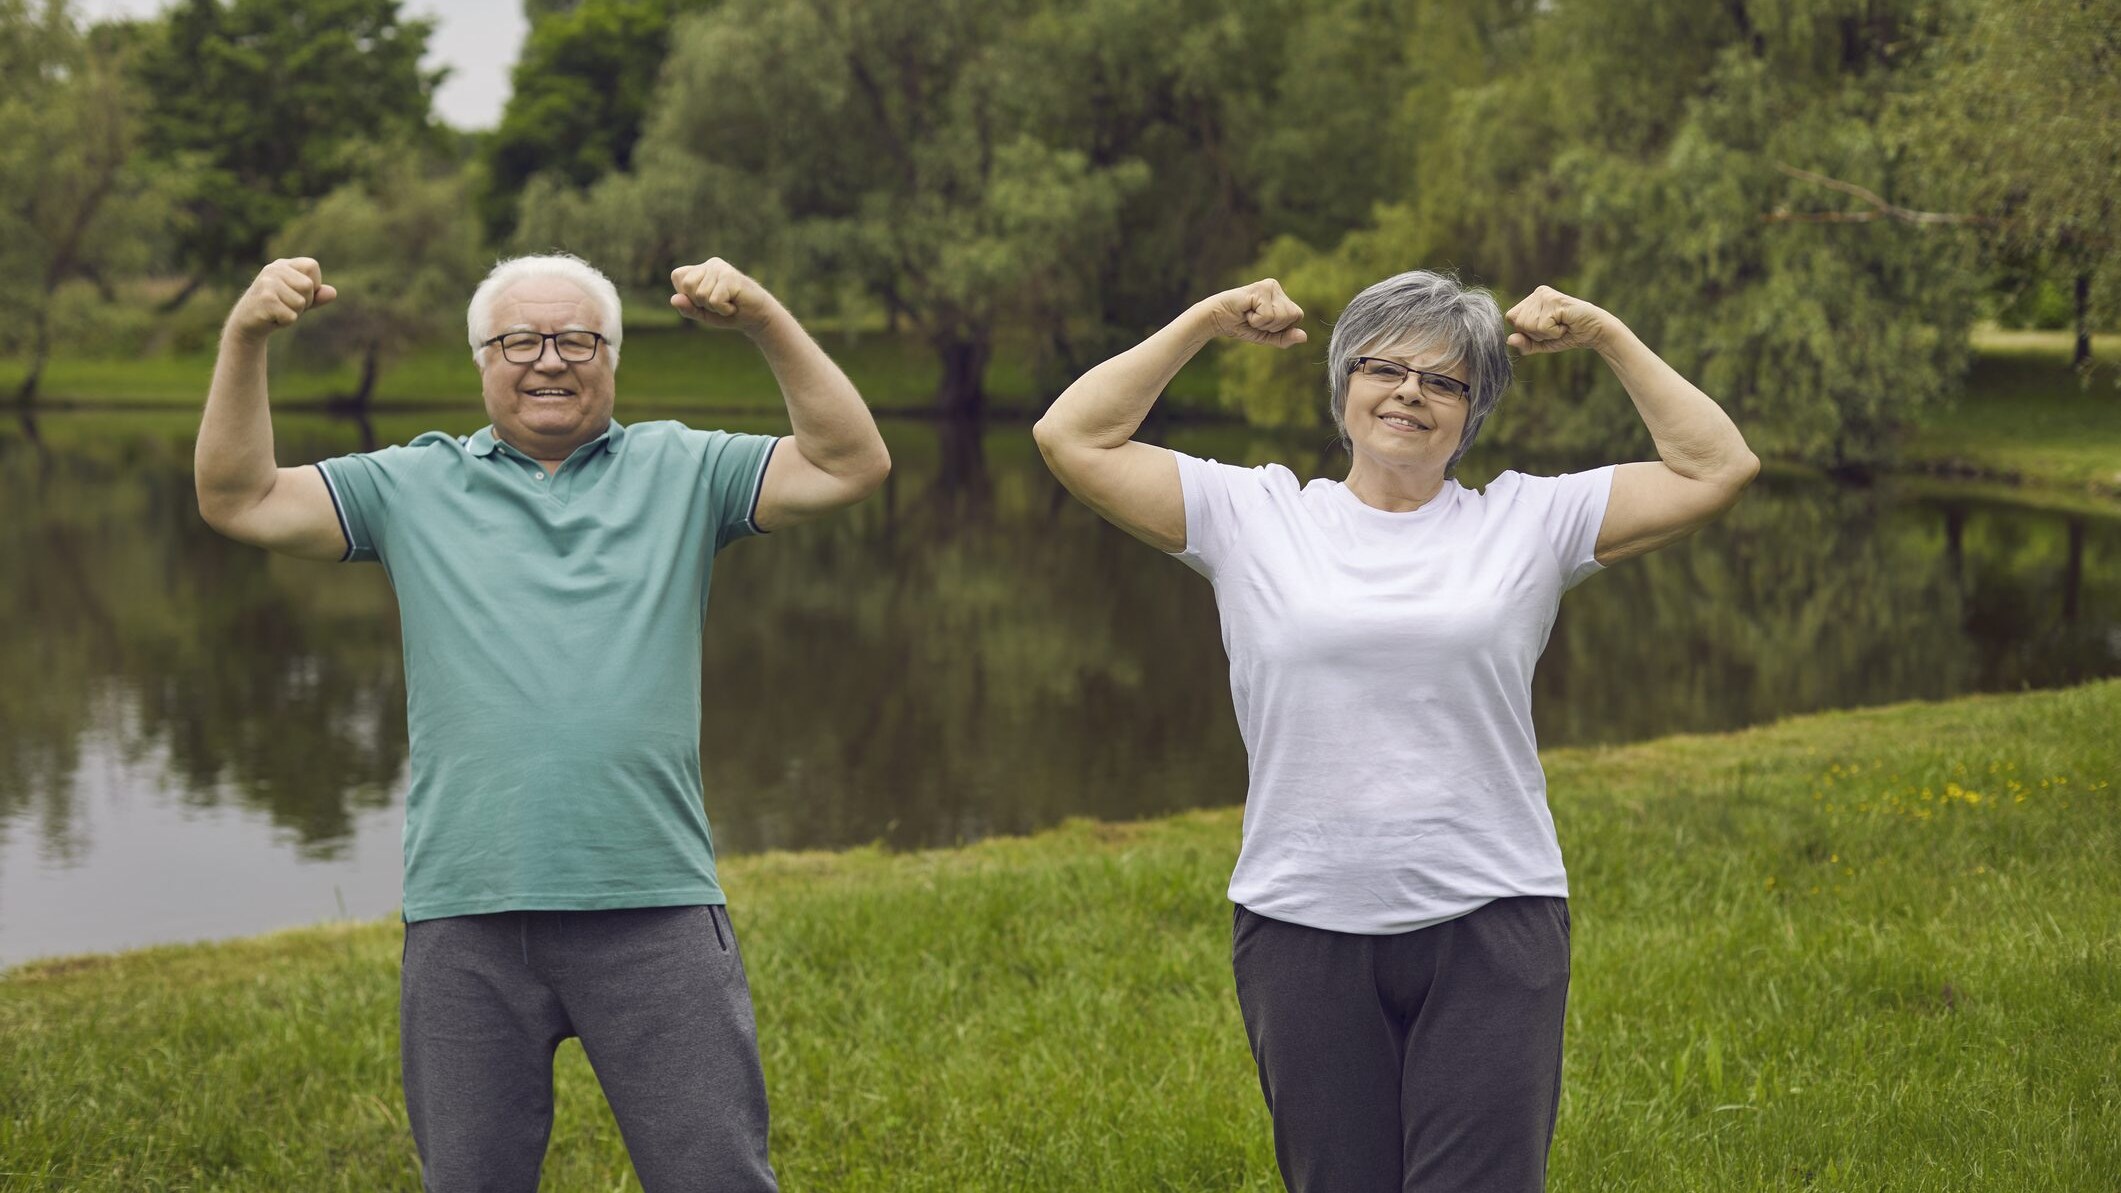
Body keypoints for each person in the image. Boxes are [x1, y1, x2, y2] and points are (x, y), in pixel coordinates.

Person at [1032, 270, 1758, 1192]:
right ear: (1344, 386)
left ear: (1471, 413)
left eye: (1445, 381)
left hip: (1492, 919)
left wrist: (1606, 333)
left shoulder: (1530, 520)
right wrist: (1206, 321)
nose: (1410, 392)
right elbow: (1071, 434)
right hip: (1301, 920)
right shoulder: (1251, 515)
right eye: (1383, 368)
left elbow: (1717, 467)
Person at [194, 252, 891, 1192]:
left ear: (612, 356)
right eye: (519, 340)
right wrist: (246, 335)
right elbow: (236, 497)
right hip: (467, 909)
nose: (550, 359)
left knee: (714, 1176)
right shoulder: (409, 484)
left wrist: (763, 316)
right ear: (483, 359)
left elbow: (851, 463)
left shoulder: (685, 469)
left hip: (653, 901)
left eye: (577, 339)